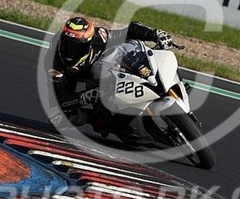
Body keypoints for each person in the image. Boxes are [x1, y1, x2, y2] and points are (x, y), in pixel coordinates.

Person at [47, 16, 175, 130]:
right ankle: (94, 119)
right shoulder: (54, 63)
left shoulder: (100, 37)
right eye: (65, 46)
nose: (70, 53)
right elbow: (61, 99)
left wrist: (155, 34)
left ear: (90, 43)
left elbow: (130, 30)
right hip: (78, 80)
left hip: (104, 68)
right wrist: (85, 97)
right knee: (56, 117)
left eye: (77, 48)